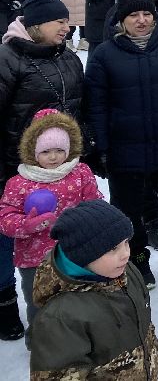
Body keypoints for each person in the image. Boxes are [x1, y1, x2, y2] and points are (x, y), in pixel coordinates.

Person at [84, 0, 158, 288]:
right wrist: (101, 148)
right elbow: (97, 106)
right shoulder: (104, 54)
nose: (141, 20)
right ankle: (137, 260)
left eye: (147, 14)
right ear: (121, 19)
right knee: (129, 211)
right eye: (134, 15)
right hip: (125, 150)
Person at [28, 200, 158, 380]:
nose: (125, 253)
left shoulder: (127, 272)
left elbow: (145, 327)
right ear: (84, 255)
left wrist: (156, 362)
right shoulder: (60, 317)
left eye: (126, 242)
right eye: (113, 248)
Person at [0, 109, 101, 339]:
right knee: (41, 303)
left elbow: (96, 205)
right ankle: (43, 344)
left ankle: (80, 337)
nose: (54, 157)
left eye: (59, 150)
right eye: (46, 151)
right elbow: (4, 219)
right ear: (32, 151)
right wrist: (27, 224)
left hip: (74, 253)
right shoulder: (19, 183)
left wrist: (83, 221)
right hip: (34, 260)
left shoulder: (80, 173)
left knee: (79, 297)